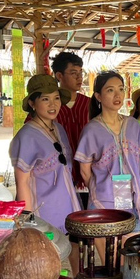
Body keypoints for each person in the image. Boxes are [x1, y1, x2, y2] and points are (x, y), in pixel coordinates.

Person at [11, 75, 82, 272]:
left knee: (74, 250)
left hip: (68, 206)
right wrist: (29, 220)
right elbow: (22, 182)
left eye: (56, 98)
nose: (53, 104)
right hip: (44, 211)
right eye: (45, 99)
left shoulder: (58, 128)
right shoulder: (26, 136)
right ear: (32, 103)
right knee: (49, 260)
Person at [75, 71, 140, 231]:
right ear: (98, 96)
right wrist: (99, 189)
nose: (118, 95)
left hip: (129, 196)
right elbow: (85, 171)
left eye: (121, 89)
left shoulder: (133, 125)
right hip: (103, 198)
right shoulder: (91, 130)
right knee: (111, 254)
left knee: (128, 251)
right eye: (110, 90)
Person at [25, 52, 91, 207]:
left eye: (81, 73)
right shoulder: (46, 109)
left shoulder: (90, 105)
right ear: (59, 76)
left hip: (87, 178)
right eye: (73, 73)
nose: (79, 78)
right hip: (55, 181)